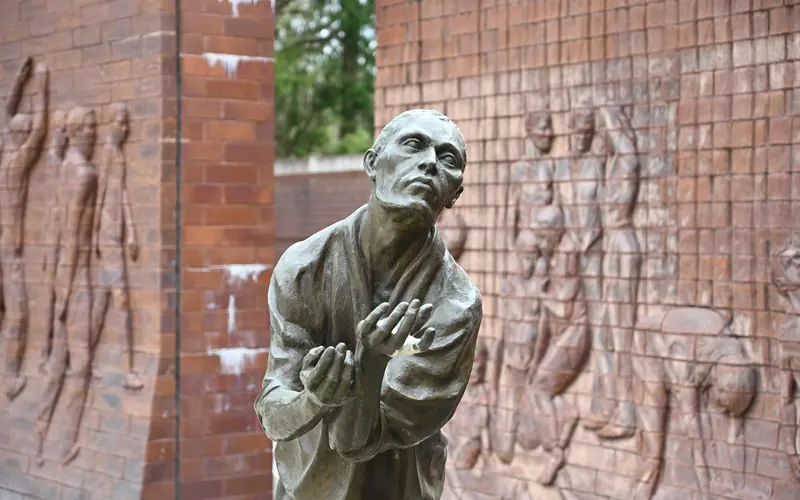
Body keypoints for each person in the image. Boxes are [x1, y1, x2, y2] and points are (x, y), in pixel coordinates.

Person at [254, 109, 483, 500]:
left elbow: (354, 442)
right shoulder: (305, 267)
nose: (429, 163)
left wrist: (371, 362)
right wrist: (313, 399)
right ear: (373, 163)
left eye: (448, 158)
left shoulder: (456, 304)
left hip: (398, 487)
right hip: (308, 487)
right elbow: (273, 415)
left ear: (454, 194)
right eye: (414, 145)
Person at [627, 308, 757, 500]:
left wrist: (735, 485)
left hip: (685, 352)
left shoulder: (735, 358)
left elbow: (734, 424)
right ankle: (641, 492)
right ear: (716, 382)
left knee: (705, 423)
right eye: (721, 404)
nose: (720, 409)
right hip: (648, 350)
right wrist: (705, 493)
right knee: (653, 445)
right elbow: (695, 435)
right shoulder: (686, 360)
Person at [36, 106, 99, 465]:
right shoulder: (84, 173)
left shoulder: (63, 166)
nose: (93, 132)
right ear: (74, 131)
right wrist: (64, 292)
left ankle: (41, 434)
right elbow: (72, 234)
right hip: (76, 279)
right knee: (80, 363)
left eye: (93, 126)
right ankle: (65, 443)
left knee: (59, 362)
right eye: (86, 127)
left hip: (63, 275)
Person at [0, 59, 48, 399]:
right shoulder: (17, 163)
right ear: (21, 136)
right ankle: (10, 377)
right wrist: (41, 86)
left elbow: (7, 115)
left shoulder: (5, 154)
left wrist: (19, 81)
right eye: (25, 130)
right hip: (9, 247)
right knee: (17, 313)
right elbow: (41, 128)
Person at [92, 103, 142, 390]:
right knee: (121, 299)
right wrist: (97, 236)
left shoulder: (118, 153)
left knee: (101, 301)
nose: (125, 128)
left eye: (127, 123)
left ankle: (86, 358)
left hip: (116, 235)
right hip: (107, 236)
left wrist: (131, 230)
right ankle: (127, 370)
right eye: (120, 122)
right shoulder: (108, 151)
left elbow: (121, 193)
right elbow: (100, 194)